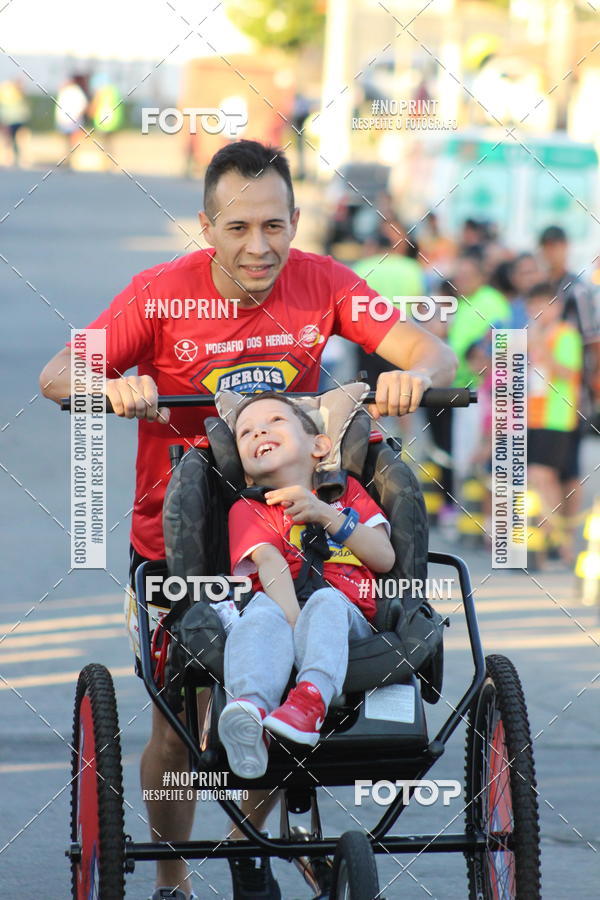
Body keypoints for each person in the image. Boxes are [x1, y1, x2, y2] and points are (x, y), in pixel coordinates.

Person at [39, 139, 457, 900]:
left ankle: (247, 844)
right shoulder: (158, 294)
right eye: (238, 228)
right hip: (180, 538)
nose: (259, 246)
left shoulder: (326, 281)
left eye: (274, 225)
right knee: (179, 723)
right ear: (207, 228)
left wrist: (413, 377)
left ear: (296, 220)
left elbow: (432, 352)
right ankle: (172, 879)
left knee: (283, 680)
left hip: (296, 528)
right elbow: (57, 375)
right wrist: (112, 388)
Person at [217, 392, 395, 776]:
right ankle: (250, 710)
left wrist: (325, 513)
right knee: (259, 613)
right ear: (246, 470)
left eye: (275, 421)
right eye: (246, 432)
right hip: (282, 609)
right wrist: (297, 624)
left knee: (325, 602)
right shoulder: (249, 508)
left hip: (347, 615)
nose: (259, 431)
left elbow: (384, 557)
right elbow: (270, 563)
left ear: (319, 446)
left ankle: (310, 701)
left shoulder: (347, 494)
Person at [526, 281, 583, 565]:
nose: (538, 311)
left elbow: (569, 372)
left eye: (544, 305)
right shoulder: (530, 335)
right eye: (534, 305)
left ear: (556, 307)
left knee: (543, 475)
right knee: (541, 477)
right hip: (533, 415)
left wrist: (540, 347)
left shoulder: (565, 334)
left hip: (556, 416)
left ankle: (554, 538)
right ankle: (552, 539)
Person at [0, 79, 30, 166]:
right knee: (10, 140)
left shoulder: (17, 94)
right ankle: (11, 158)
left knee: (17, 140)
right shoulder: (9, 93)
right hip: (10, 120)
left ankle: (17, 158)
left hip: (17, 120)